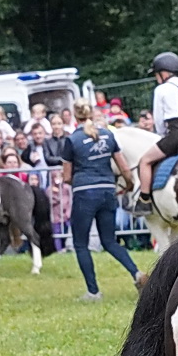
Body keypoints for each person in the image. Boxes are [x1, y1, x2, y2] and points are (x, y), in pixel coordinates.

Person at [62, 104, 144, 300]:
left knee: (81, 244)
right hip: (107, 190)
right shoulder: (108, 135)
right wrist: (130, 185)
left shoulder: (72, 139)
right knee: (109, 240)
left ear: (75, 115)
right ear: (91, 113)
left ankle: (93, 291)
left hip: (84, 192)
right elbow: (123, 166)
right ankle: (137, 273)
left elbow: (66, 177)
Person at [136, 53, 178, 205]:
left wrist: (161, 135)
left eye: (156, 74)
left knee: (145, 161)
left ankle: (145, 200)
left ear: (163, 73)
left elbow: (159, 120)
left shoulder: (161, 90)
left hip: (176, 134)